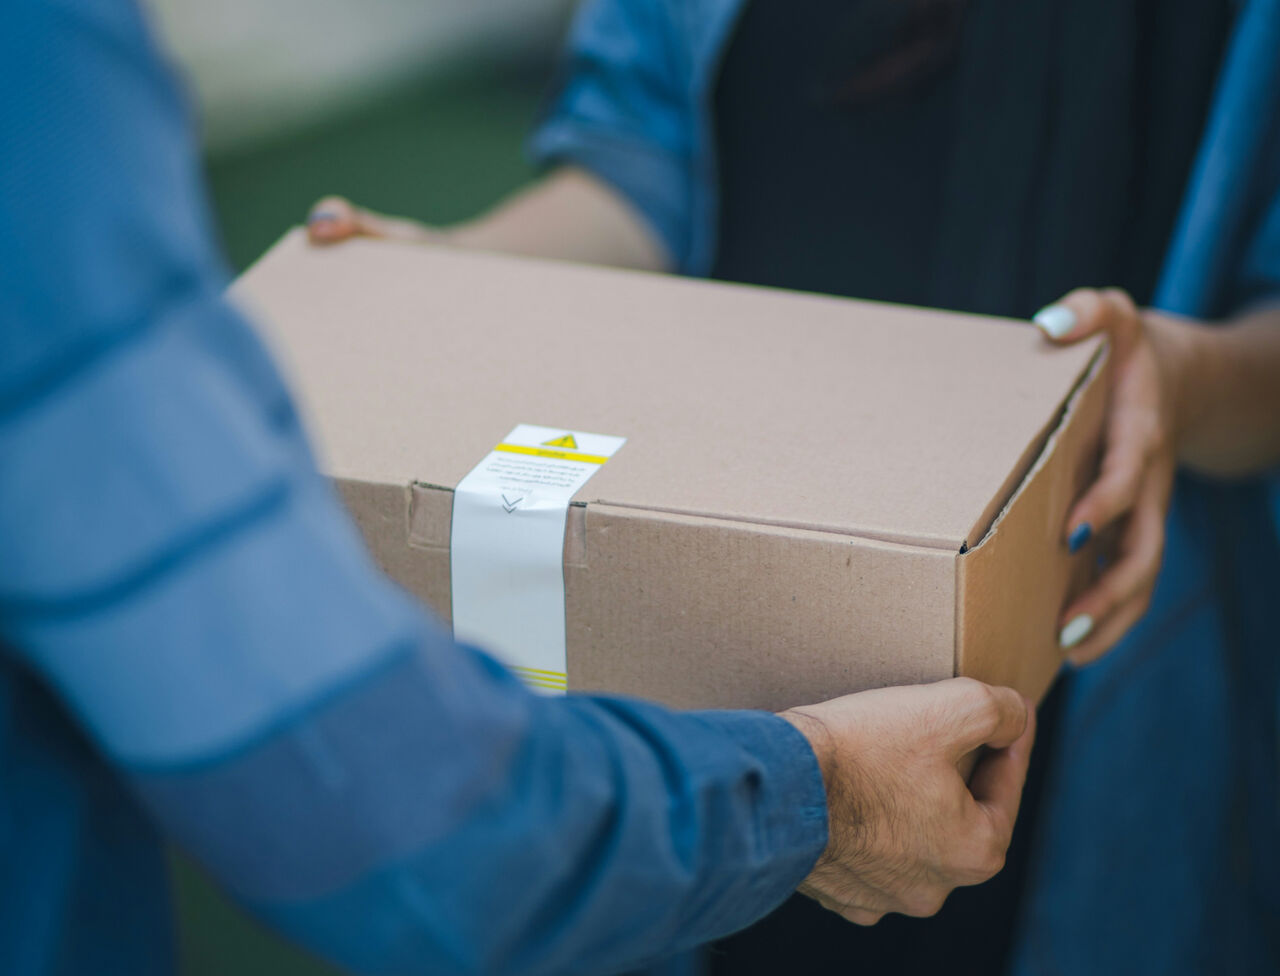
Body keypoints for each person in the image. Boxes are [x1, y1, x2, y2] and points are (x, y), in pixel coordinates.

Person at [0, 2, 1046, 975]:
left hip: (1010, 569)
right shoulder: (42, 75)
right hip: (768, 719)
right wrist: (821, 795)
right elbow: (411, 816)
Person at [308, 0, 1280, 971]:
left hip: (1106, 683)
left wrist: (1177, 378)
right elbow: (637, 173)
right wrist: (449, 275)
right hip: (724, 646)